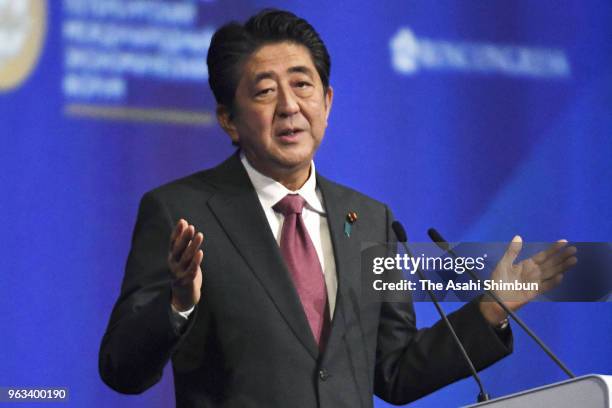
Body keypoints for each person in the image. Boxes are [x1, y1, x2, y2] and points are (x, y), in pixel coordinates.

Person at [99, 9, 576, 408]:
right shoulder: (181, 211)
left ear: (326, 102)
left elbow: (395, 371)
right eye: (265, 91)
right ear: (229, 119)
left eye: (303, 85)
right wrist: (179, 303)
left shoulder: (370, 219)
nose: (289, 106)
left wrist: (490, 309)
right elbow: (122, 369)